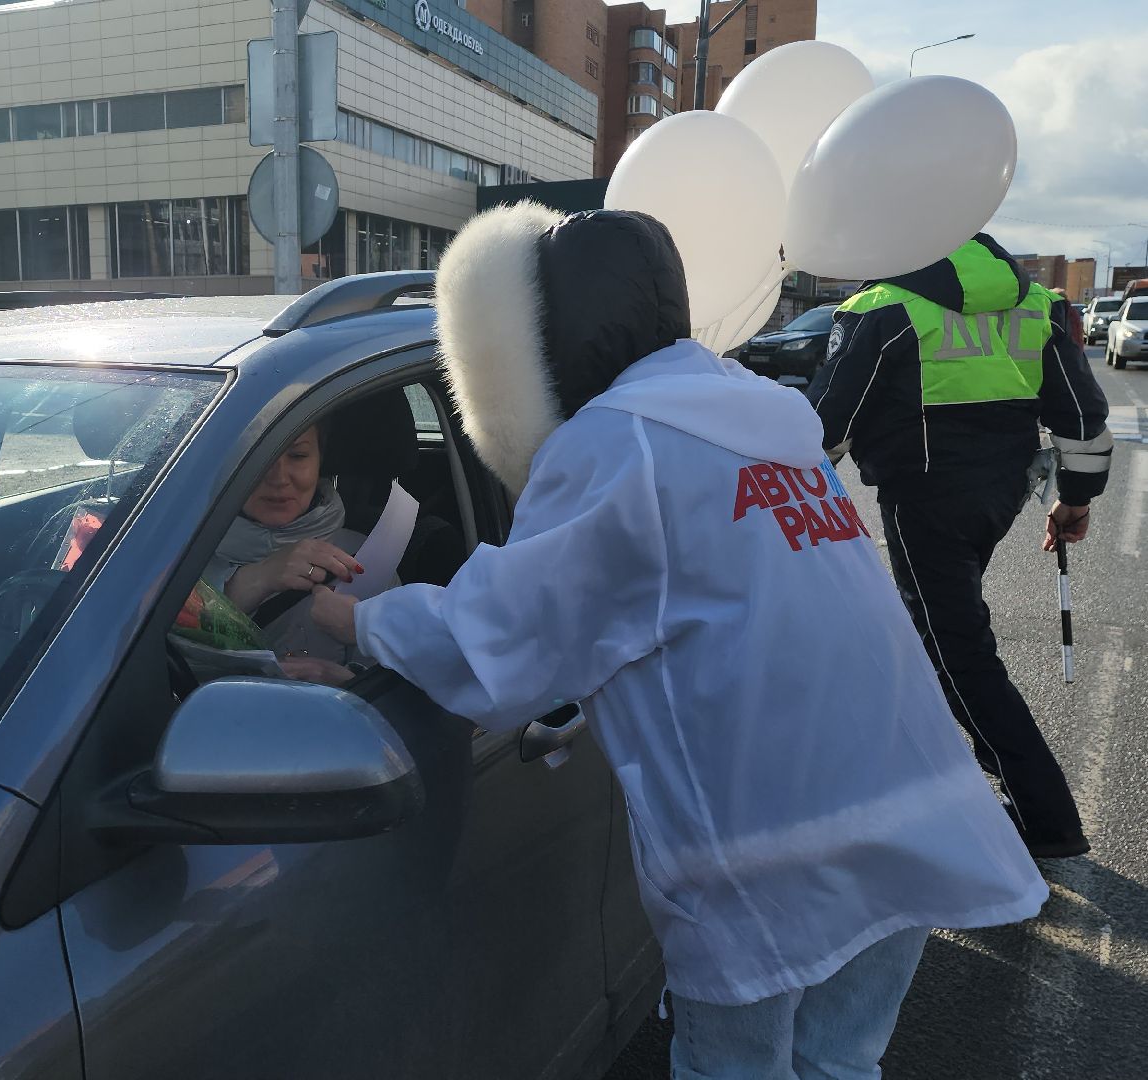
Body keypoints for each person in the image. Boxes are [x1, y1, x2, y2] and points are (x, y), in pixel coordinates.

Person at [310, 204, 1047, 1078]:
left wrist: (359, 619)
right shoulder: (758, 420)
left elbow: (506, 642)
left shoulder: (617, 443)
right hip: (906, 806)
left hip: (772, 846)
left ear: (535, 340)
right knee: (838, 1064)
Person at [807, 233, 1113, 860]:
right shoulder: (1038, 303)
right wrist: (1076, 499)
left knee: (954, 652)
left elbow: (824, 427)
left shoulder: (882, 307)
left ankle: (1046, 816)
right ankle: (934, 780)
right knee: (939, 637)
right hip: (1000, 494)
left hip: (923, 497)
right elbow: (1080, 417)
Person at [202, 423, 365, 687]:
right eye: (257, 455)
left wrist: (348, 684)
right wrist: (252, 581)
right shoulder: (179, 554)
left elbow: (400, 697)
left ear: (320, 461)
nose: (278, 478)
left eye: (297, 456)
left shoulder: (366, 556)